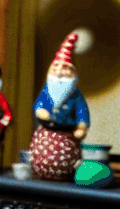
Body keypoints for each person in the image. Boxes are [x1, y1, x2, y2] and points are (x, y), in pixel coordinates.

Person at [30, 31, 89, 182]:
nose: (60, 72)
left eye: (65, 68)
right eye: (56, 68)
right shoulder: (46, 90)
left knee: (68, 159)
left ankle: (64, 174)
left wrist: (81, 127)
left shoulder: (76, 96)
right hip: (45, 134)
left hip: (67, 136)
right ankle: (41, 172)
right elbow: (39, 104)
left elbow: (82, 113)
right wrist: (40, 111)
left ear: (73, 73)